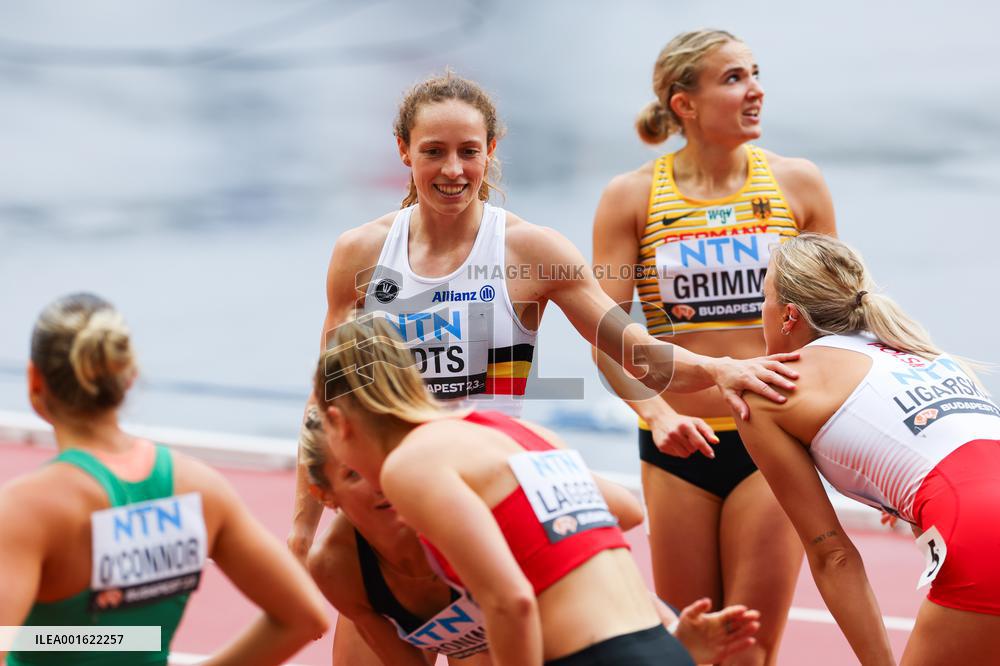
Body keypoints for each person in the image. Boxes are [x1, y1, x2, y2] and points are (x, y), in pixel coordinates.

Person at [289, 70, 802, 567]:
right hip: (384, 507)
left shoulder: (531, 251)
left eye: (468, 152)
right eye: (433, 152)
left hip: (482, 500)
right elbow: (326, 400)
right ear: (404, 149)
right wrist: (301, 533)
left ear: (490, 151)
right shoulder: (360, 253)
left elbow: (634, 348)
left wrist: (718, 370)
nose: (452, 170)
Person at [310, 316, 764, 666]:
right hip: (660, 646)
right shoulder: (510, 430)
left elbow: (512, 602)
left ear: (336, 423)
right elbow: (600, 532)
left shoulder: (412, 465)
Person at [591, 29, 837, 664]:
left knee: (748, 652)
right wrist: (658, 414)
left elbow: (837, 330)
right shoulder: (632, 197)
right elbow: (608, 337)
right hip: (679, 443)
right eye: (733, 78)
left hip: (772, 436)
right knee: (690, 650)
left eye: (755, 74)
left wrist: (868, 458)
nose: (755, 90)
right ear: (684, 104)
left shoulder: (799, 185)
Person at [0, 293, 330, 666]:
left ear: (34, 381)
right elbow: (304, 618)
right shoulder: (198, 489)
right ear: (128, 376)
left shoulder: (28, 510)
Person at [735, 233, 1000, 665]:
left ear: (788, 316)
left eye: (762, 298)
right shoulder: (923, 351)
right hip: (972, 518)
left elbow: (832, 554)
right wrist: (914, 504)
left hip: (979, 530)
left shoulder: (769, 389)